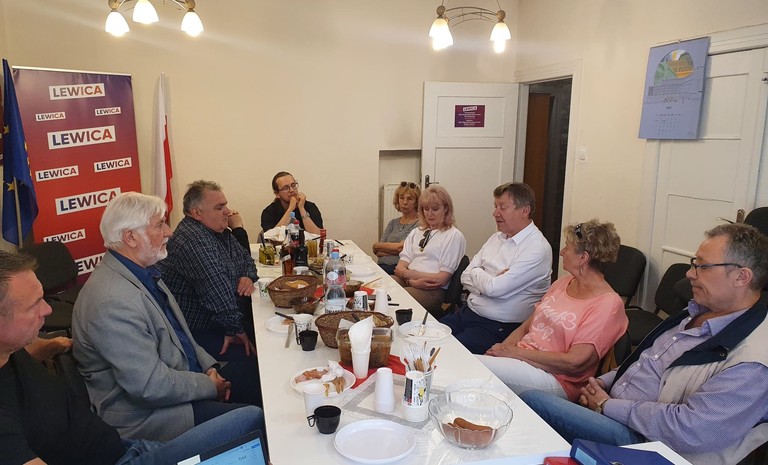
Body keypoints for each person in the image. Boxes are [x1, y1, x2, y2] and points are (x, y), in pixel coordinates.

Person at [521, 223, 768, 464]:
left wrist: (607, 405)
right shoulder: (697, 312)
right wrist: (600, 383)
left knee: (532, 402)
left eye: (702, 266)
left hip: (651, 446)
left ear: (741, 277)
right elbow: (644, 362)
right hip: (616, 410)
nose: (690, 273)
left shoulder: (752, 364)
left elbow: (689, 430)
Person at [0, 250, 265, 465]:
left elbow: (31, 349)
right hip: (123, 458)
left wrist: (54, 345)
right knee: (252, 422)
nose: (47, 310)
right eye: (34, 304)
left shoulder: (11, 350)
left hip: (125, 446)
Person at [73, 192, 264, 444]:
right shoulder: (112, 301)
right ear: (131, 237)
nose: (169, 232)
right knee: (255, 420)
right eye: (160, 225)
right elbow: (149, 386)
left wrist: (210, 368)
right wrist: (209, 386)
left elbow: (182, 336)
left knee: (263, 378)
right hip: (149, 416)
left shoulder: (144, 271)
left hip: (181, 380)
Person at [478, 220, 627, 401]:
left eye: (567, 247)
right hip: (522, 362)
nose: (562, 252)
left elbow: (574, 362)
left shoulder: (608, 304)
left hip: (557, 379)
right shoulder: (563, 283)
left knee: (473, 367)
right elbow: (526, 327)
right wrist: (501, 351)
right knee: (475, 366)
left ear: (583, 258)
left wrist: (515, 353)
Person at [439, 182, 552, 354]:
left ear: (524, 210)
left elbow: (495, 289)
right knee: (423, 337)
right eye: (495, 206)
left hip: (497, 327)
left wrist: (480, 275)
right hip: (467, 313)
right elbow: (465, 276)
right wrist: (487, 279)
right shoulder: (496, 237)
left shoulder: (536, 248)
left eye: (502, 207)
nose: (495, 213)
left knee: (444, 353)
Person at [157, 180, 259, 363]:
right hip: (201, 330)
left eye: (225, 205)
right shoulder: (192, 238)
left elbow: (246, 260)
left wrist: (246, 276)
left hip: (225, 320)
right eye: (220, 207)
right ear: (197, 213)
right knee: (256, 363)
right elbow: (216, 288)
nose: (228, 211)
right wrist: (235, 329)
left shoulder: (218, 232)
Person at [393, 185, 466, 317]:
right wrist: (411, 280)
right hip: (410, 281)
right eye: (426, 209)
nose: (429, 214)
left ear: (446, 209)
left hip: (432, 290)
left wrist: (409, 275)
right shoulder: (416, 232)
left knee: (397, 299)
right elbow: (399, 267)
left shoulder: (453, 235)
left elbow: (441, 279)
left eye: (435, 209)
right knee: (382, 288)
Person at [373, 181, 421, 275]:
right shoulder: (393, 223)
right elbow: (378, 252)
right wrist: (392, 249)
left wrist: (376, 245)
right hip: (381, 266)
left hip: (398, 269)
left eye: (410, 199)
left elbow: (401, 248)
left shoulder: (419, 224)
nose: (405, 202)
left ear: (416, 202)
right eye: (401, 198)